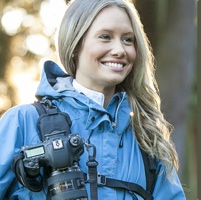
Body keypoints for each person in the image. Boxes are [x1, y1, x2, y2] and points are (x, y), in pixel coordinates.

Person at [0, 0, 186, 199]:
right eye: (105, 37)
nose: (120, 50)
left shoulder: (147, 140)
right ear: (75, 44)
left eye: (128, 40)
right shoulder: (23, 122)